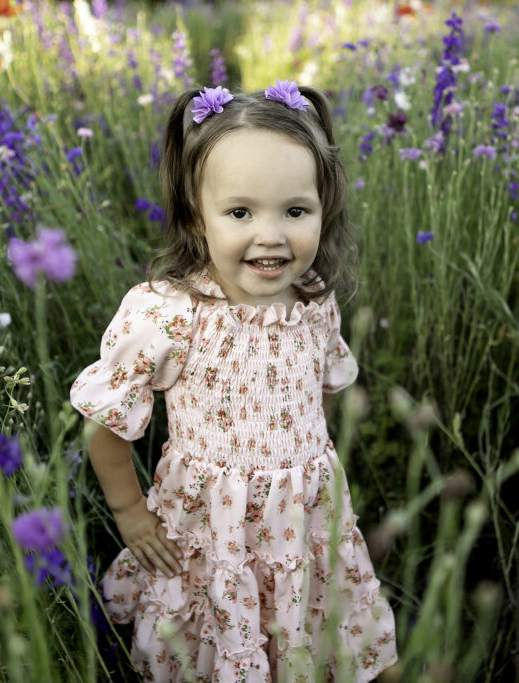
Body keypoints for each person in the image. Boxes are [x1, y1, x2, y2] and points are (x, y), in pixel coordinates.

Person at [70, 80, 397, 682]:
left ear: (324, 210)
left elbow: (319, 393)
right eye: (241, 212)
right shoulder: (170, 314)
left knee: (328, 635)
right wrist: (130, 513)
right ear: (198, 218)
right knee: (219, 648)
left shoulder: (315, 304)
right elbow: (104, 425)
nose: (270, 235)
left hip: (302, 526)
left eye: (295, 211)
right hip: (211, 533)